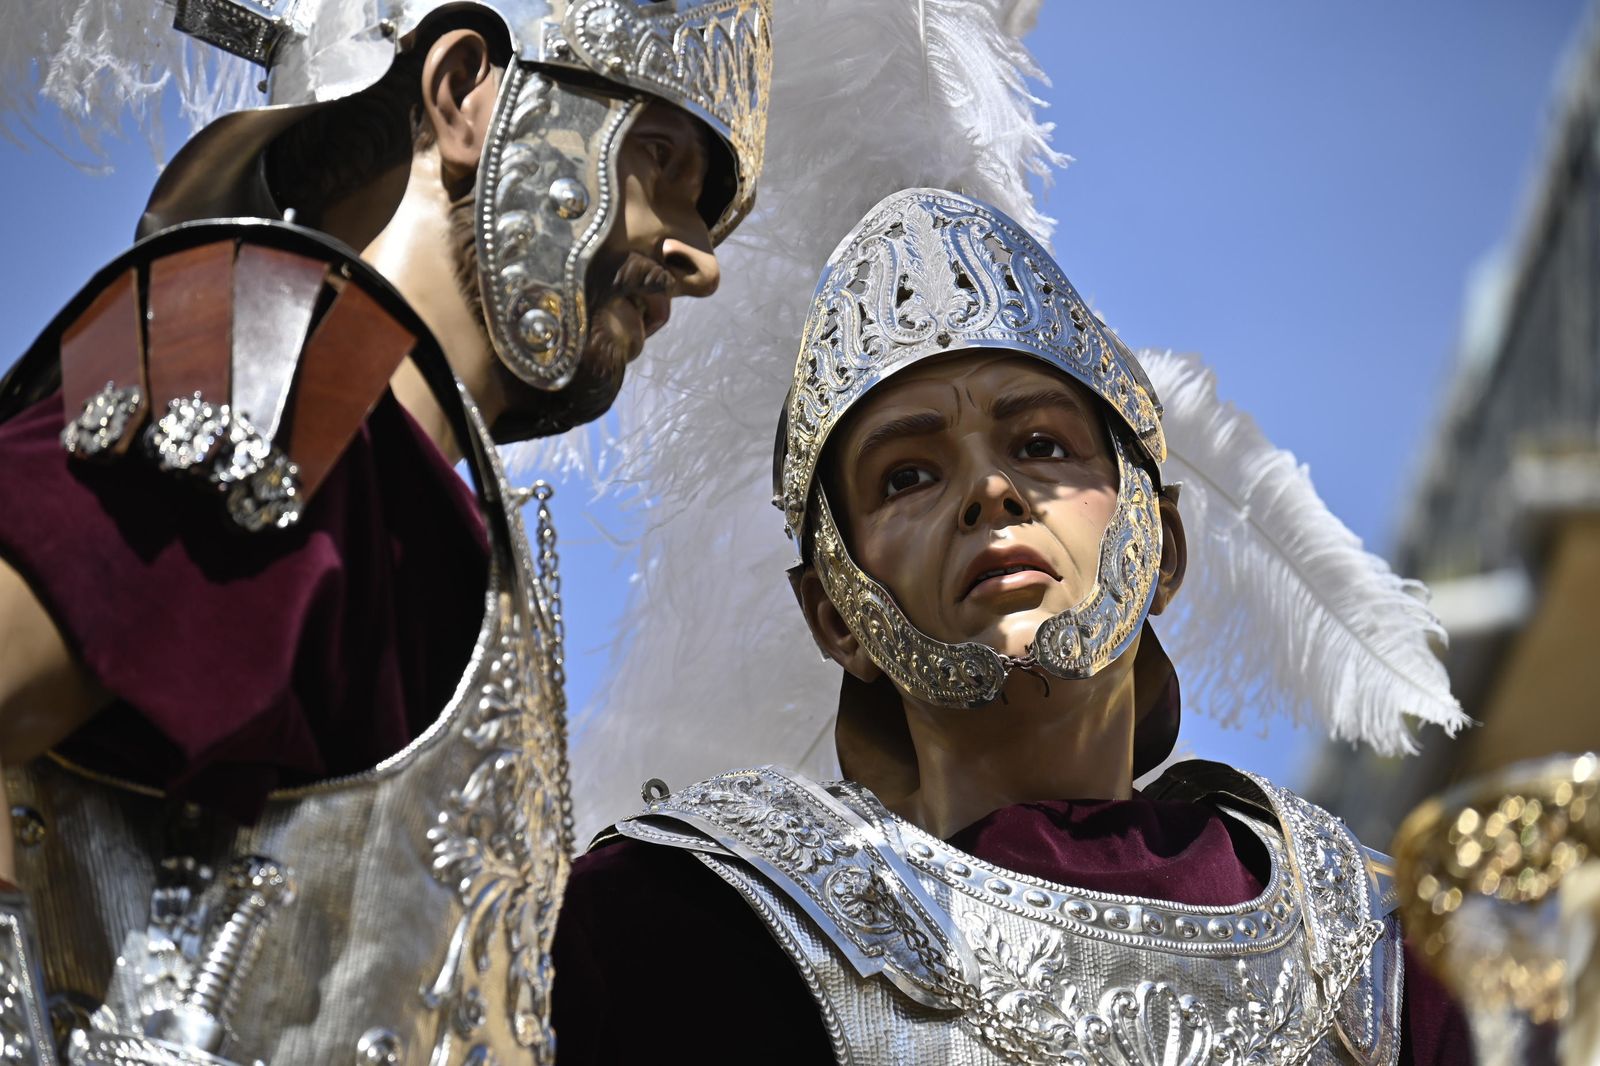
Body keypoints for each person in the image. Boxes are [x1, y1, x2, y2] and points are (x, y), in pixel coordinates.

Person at [0, 0, 769, 1062]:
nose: (702, 261)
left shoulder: (413, 508)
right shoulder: (265, 380)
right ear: (461, 94)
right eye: (658, 159)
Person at [550, 188, 1475, 1063]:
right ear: (837, 618)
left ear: (1161, 547)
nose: (991, 490)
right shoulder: (681, 936)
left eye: (1040, 445)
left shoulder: (1387, 961)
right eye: (908, 476)